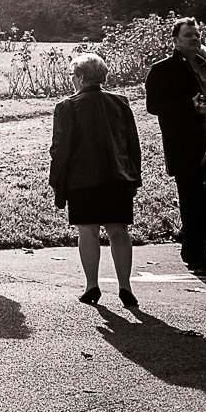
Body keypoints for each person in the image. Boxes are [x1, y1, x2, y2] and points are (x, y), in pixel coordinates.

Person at [51, 53, 142, 307]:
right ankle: (125, 285)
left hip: (83, 178)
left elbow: (61, 147)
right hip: (118, 175)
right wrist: (135, 175)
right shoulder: (121, 102)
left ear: (79, 77)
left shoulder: (67, 106)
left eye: (72, 75)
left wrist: (56, 178)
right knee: (119, 231)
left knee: (88, 231)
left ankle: (92, 284)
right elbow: (132, 142)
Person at [145, 18, 206, 276]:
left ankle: (193, 247)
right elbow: (154, 106)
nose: (195, 39)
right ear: (175, 40)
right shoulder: (163, 69)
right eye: (188, 35)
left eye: (197, 35)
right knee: (192, 200)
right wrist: (190, 106)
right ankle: (199, 259)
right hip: (186, 144)